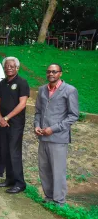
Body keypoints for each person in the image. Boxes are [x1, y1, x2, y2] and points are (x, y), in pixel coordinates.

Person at [34, 64, 79, 206]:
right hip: (43, 137)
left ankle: (59, 201)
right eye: (48, 71)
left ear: (60, 73)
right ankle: (48, 197)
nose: (51, 74)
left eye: (54, 71)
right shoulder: (42, 90)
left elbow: (73, 116)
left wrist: (53, 129)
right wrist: (36, 126)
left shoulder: (70, 90)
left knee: (58, 171)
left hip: (58, 138)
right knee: (44, 169)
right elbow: (38, 112)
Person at [0, 57, 29, 194]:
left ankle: (20, 183)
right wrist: (0, 118)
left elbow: (22, 104)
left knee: (14, 152)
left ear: (17, 68)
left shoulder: (22, 82)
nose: (9, 68)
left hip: (15, 124)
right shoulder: (2, 83)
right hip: (3, 123)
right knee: (5, 151)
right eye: (7, 66)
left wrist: (7, 117)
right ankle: (9, 179)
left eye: (12, 66)